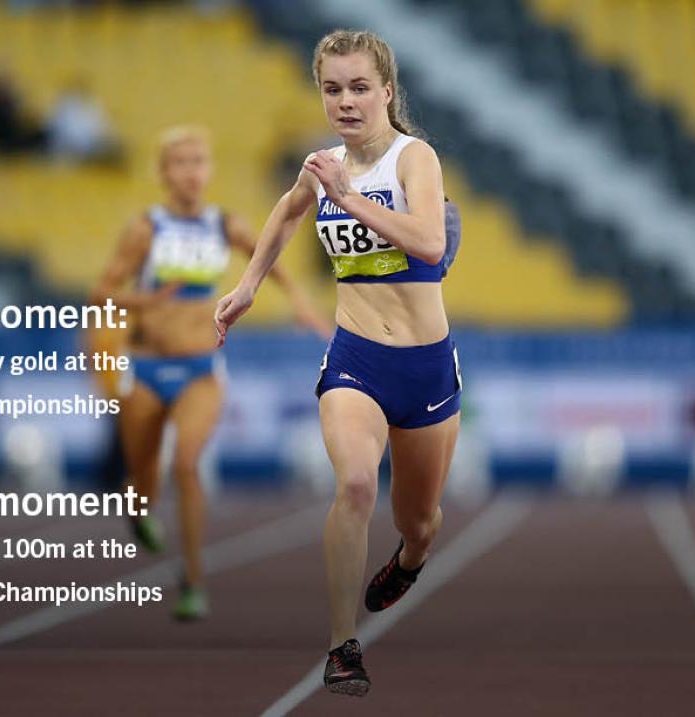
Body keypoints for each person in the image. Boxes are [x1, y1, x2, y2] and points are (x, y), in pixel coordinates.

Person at [214, 29, 462, 697]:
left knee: (419, 518)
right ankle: (341, 645)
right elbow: (290, 210)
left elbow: (432, 245)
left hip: (427, 369)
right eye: (332, 89)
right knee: (355, 485)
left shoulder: (416, 158)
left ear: (386, 91)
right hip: (357, 358)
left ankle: (411, 556)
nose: (345, 101)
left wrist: (351, 199)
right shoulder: (321, 163)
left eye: (358, 87)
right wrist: (248, 285)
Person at [91, 125, 330, 620]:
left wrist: (301, 302)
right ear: (163, 173)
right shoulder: (146, 229)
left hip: (201, 366)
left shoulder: (225, 225)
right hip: (147, 365)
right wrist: (147, 299)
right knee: (142, 473)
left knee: (186, 466)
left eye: (200, 161)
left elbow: (271, 253)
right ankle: (138, 511)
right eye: (181, 162)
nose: (192, 171)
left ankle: (193, 580)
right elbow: (103, 293)